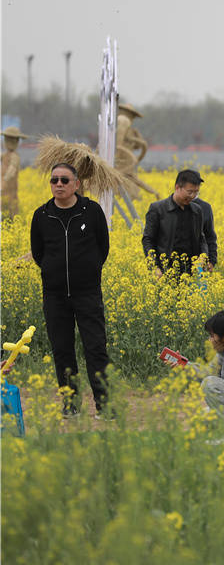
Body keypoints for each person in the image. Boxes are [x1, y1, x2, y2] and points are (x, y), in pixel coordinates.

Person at [29, 163, 111, 417]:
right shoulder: (42, 215)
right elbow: (38, 252)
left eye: (65, 180)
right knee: (62, 351)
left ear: (76, 184)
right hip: (54, 296)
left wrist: (88, 271)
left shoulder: (92, 211)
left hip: (87, 293)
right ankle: (70, 404)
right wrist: (54, 273)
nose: (59, 185)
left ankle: (105, 405)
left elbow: (103, 247)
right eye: (54, 180)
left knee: (95, 348)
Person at [141, 169, 210, 276]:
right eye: (189, 192)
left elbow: (201, 238)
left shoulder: (197, 211)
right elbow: (148, 240)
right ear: (177, 187)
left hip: (191, 273)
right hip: (164, 272)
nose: (192, 196)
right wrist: (154, 267)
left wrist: (203, 256)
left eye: (196, 192)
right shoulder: (158, 209)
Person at [2, 126, 27, 217]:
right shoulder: (5, 155)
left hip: (9, 188)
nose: (9, 142)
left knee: (11, 210)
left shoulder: (15, 156)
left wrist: (4, 181)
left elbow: (12, 169)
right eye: (7, 139)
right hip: (3, 189)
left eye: (12, 140)